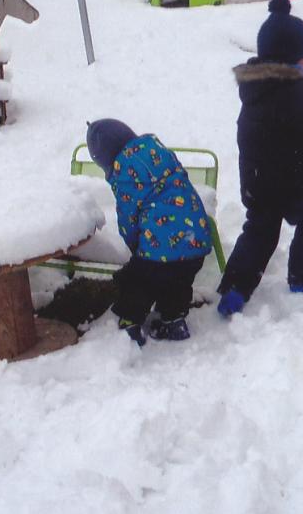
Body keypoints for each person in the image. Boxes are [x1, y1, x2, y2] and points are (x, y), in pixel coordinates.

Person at [216, 0, 303, 316]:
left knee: (260, 231)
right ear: (289, 59)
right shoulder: (289, 90)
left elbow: (285, 127)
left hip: (258, 180)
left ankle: (235, 289)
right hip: (292, 180)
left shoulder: (260, 88)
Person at [86, 119, 214, 346]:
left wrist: (135, 245)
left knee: (139, 281)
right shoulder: (160, 153)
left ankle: (130, 325)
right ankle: (174, 321)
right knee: (178, 281)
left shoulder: (123, 171)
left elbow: (128, 217)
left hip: (160, 245)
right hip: (197, 239)